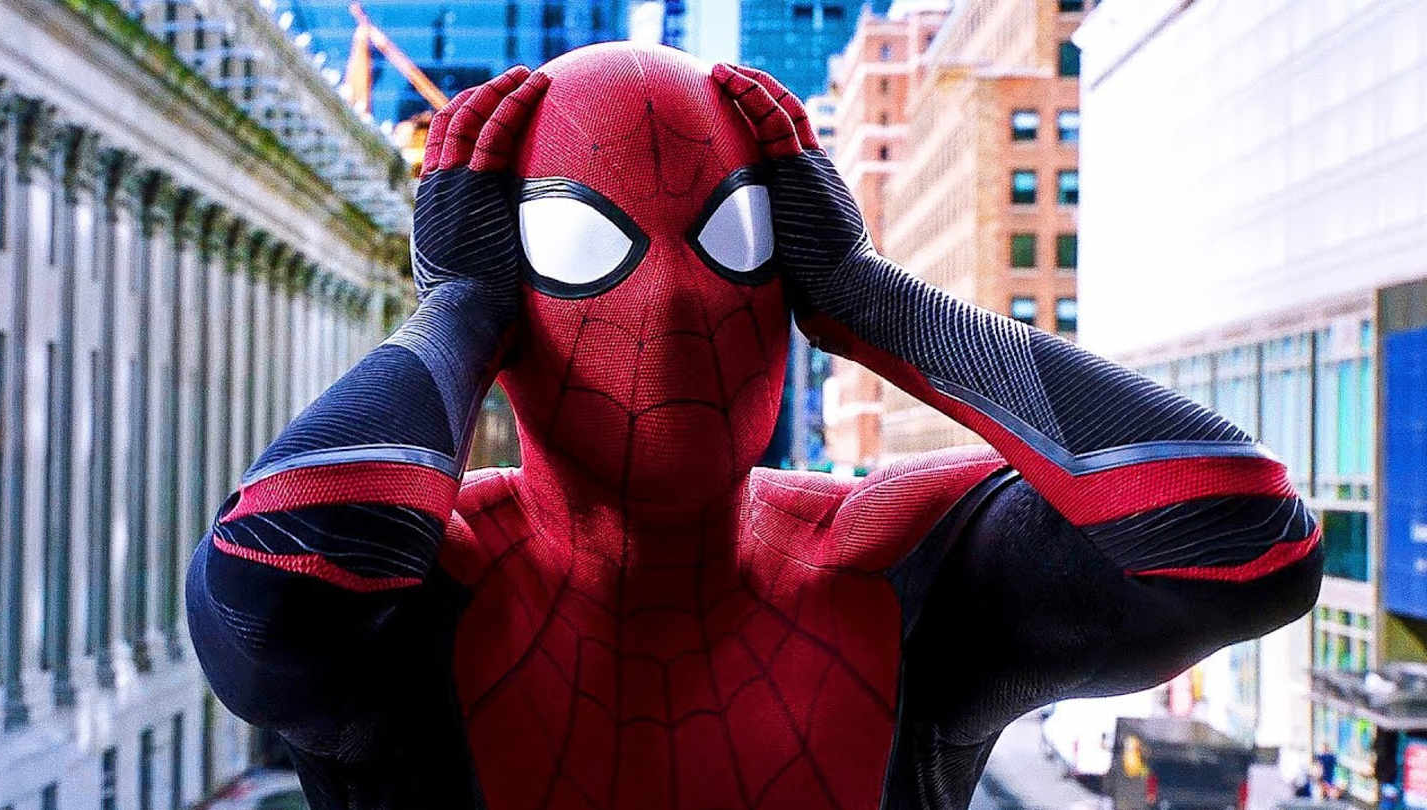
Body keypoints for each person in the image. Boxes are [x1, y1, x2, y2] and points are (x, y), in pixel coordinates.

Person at [185, 44, 1324, 809]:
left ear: (791, 280)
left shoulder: (899, 559)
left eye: (733, 240)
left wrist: (873, 298)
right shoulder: (420, 592)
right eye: (585, 248)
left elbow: (1250, 541)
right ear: (513, 307)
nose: (678, 301)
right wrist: (460, 309)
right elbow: (269, 597)